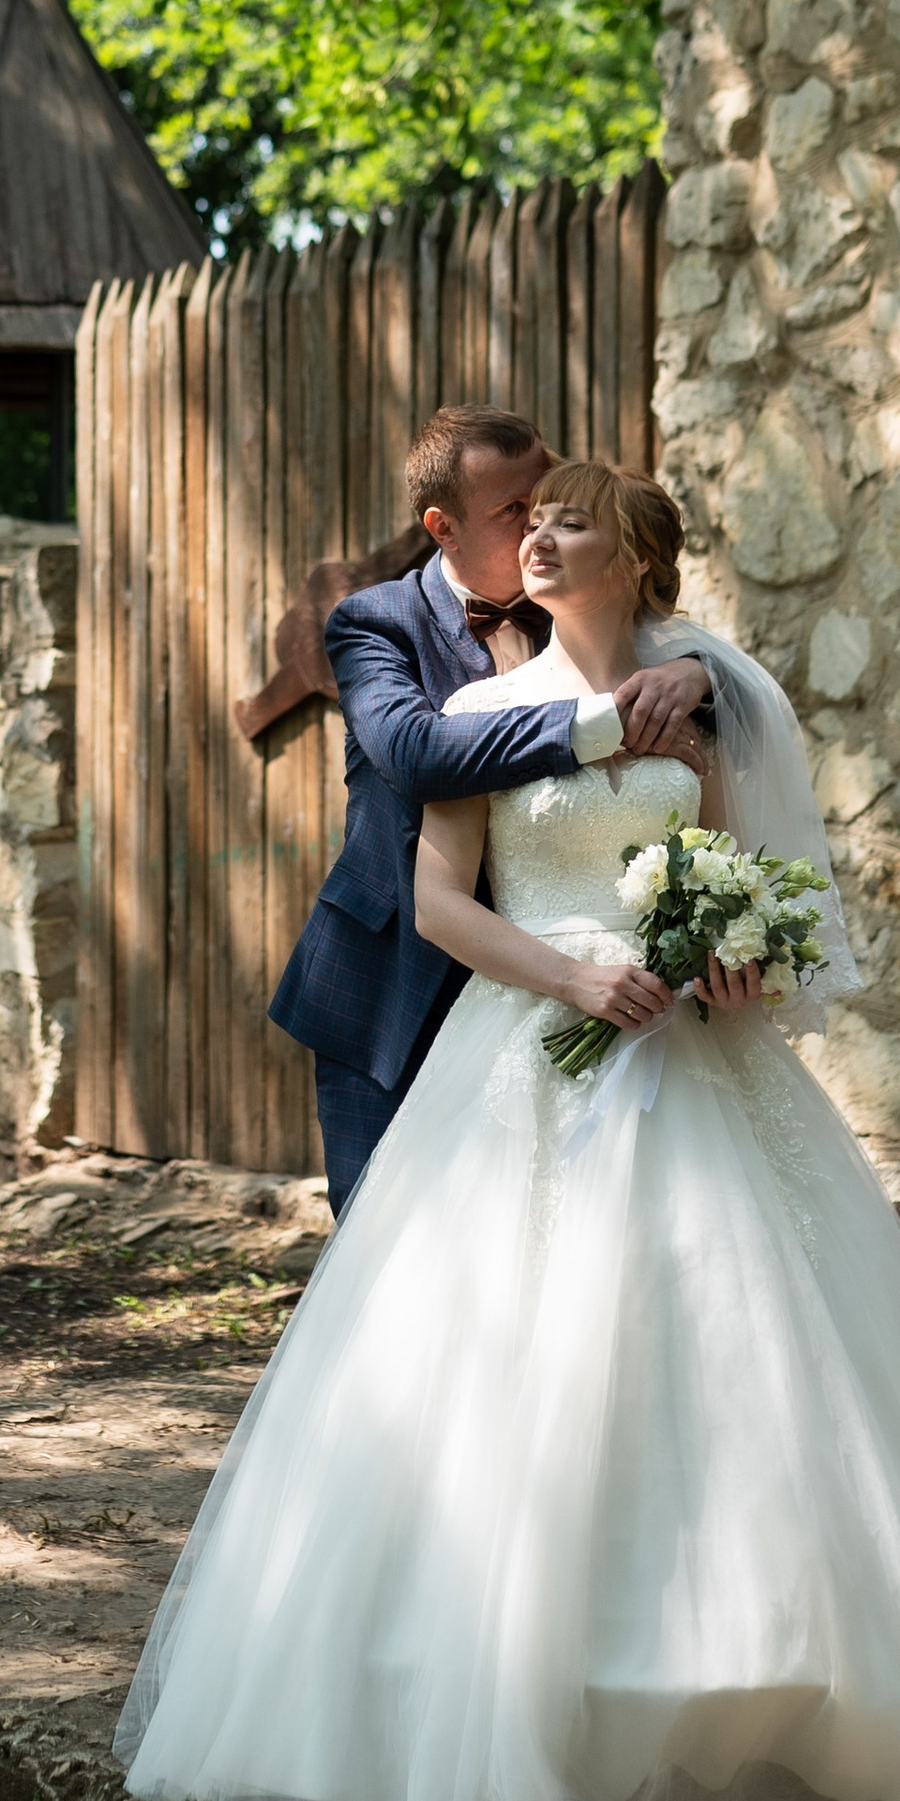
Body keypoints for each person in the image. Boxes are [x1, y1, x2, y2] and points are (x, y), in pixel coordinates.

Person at [119, 459, 900, 1801]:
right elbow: (443, 906)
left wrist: (731, 958)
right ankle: (491, 1683)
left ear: (641, 558)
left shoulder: (702, 707)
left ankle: (762, 1677)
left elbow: (726, 869)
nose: (537, 537)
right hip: (529, 1043)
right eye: (530, 520)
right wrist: (573, 982)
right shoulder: (482, 713)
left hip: (693, 1058)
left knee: (734, 1339)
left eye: (569, 520)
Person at [268, 405, 712, 1215]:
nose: (539, 525)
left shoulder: (586, 594)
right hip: (397, 982)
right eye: (515, 511)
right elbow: (416, 754)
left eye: (549, 498)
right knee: (389, 1252)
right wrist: (598, 725)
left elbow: (714, 711)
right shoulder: (376, 623)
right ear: (443, 527)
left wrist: (698, 675)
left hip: (580, 996)